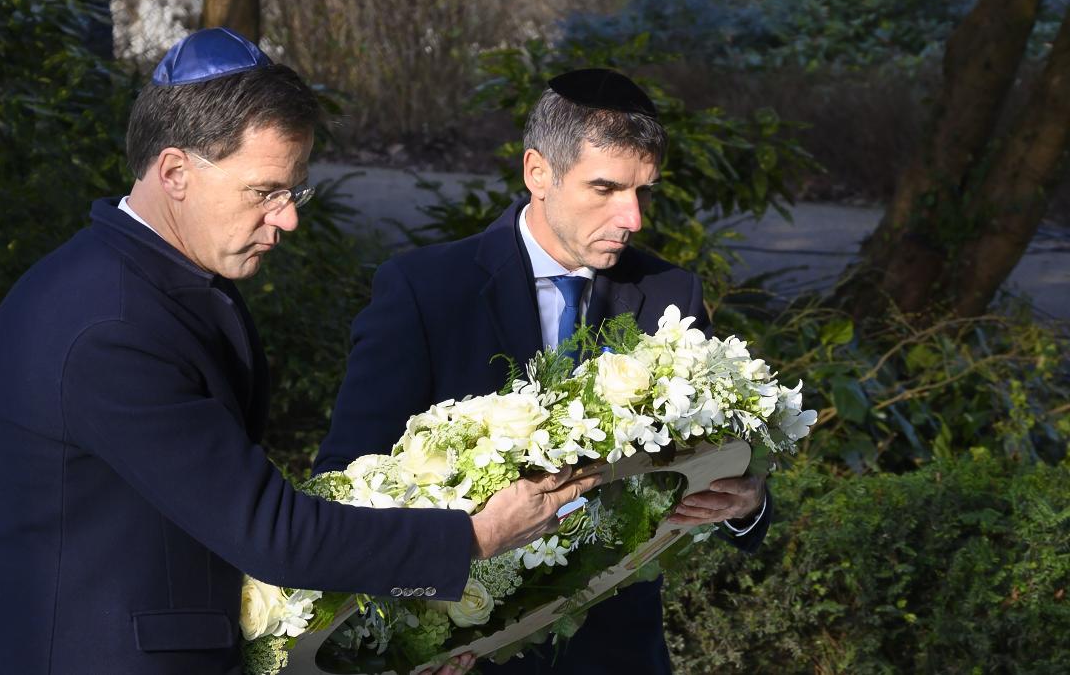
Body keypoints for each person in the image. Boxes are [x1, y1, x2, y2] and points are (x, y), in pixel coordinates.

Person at [0, 29, 600, 675]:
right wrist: (476, 537)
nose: (288, 218)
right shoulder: (111, 326)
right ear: (175, 173)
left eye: (295, 191)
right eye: (265, 191)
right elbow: (271, 532)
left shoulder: (144, 283)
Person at [314, 69, 771, 674]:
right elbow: (347, 480)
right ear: (538, 172)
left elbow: (721, 457)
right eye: (605, 188)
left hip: (618, 655)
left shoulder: (670, 292)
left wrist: (748, 502)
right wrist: (400, 638)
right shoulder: (425, 290)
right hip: (464, 654)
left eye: (643, 191)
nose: (632, 217)